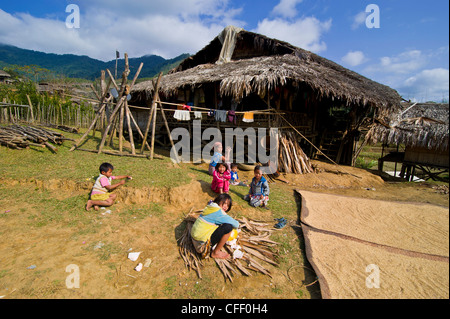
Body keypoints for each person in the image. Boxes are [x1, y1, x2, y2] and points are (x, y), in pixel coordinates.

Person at [190, 194, 239, 259]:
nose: (225, 206)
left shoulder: (210, 207)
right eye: (224, 203)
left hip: (194, 238)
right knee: (228, 227)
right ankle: (215, 253)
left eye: (228, 205)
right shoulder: (219, 213)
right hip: (201, 245)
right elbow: (236, 225)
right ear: (218, 201)